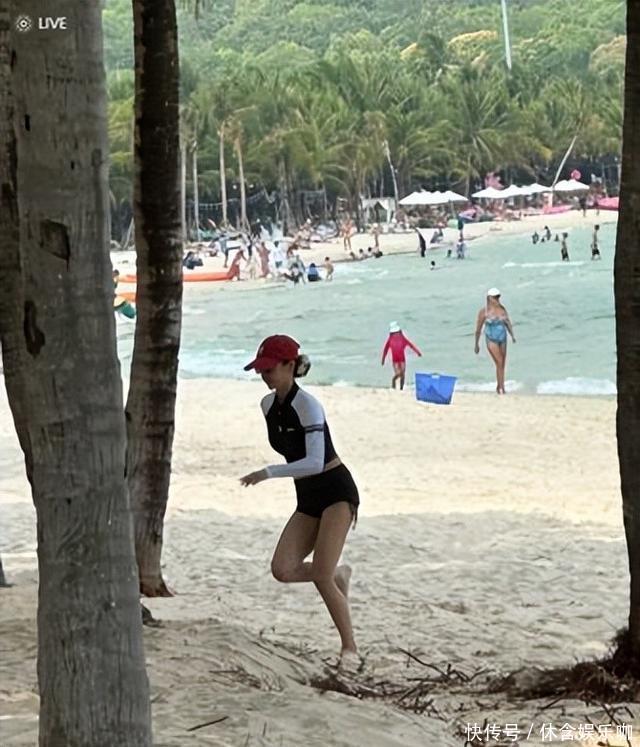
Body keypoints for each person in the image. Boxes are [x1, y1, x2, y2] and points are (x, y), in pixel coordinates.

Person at [240, 335, 360, 664]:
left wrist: (267, 472)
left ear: (290, 365)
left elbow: (315, 462)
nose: (264, 375)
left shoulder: (309, 405)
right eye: (260, 370)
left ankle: (350, 648)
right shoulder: (267, 406)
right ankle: (339, 575)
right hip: (307, 496)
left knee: (320, 575)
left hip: (336, 490)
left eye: (269, 369)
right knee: (282, 569)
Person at [474, 288, 516, 395]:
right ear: (489, 298)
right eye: (495, 297)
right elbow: (478, 329)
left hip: (502, 337)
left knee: (503, 363)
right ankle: (501, 388)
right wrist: (476, 344)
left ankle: (500, 386)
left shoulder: (502, 309)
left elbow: (507, 322)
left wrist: (512, 335)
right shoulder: (484, 312)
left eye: (498, 297)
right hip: (491, 338)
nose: (497, 299)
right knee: (499, 362)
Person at [381, 322, 422, 390]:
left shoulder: (402, 338)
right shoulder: (390, 340)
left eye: (397, 332)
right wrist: (383, 360)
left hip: (402, 359)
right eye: (395, 333)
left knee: (403, 374)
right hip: (395, 360)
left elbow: (411, 345)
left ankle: (401, 388)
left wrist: (418, 352)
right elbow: (385, 350)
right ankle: (393, 381)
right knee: (398, 373)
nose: (396, 334)